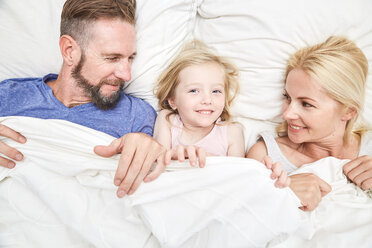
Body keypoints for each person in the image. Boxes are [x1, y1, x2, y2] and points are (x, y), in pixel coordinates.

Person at [0, 0, 166, 198]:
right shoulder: (8, 95)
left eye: (130, 58)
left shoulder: (137, 117)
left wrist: (149, 147)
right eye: (112, 58)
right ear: (69, 51)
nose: (126, 75)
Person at [247, 36, 372, 210]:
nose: (287, 113)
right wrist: (282, 195)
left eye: (306, 104)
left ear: (349, 111)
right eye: (287, 98)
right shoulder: (266, 156)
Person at [154, 41, 289, 187]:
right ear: (173, 101)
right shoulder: (167, 119)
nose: (207, 100)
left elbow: (237, 178)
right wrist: (177, 156)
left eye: (216, 91)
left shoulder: (231, 132)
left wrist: (259, 171)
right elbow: (158, 162)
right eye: (194, 90)